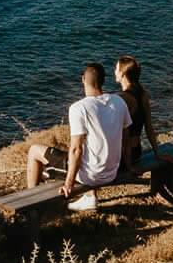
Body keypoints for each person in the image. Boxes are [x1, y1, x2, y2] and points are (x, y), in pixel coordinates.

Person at [26, 62, 132, 211]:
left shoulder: (79, 108)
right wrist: (129, 164)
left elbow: (76, 150)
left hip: (91, 175)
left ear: (83, 79)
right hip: (112, 170)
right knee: (92, 146)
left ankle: (31, 206)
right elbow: (127, 136)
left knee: (34, 151)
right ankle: (89, 196)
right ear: (103, 81)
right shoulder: (119, 101)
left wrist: (68, 184)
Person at [115, 54, 160, 171]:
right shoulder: (143, 95)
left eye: (116, 69)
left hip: (124, 157)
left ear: (122, 74)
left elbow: (123, 134)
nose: (114, 72)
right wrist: (157, 153)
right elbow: (149, 128)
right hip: (137, 152)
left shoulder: (121, 98)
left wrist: (129, 165)